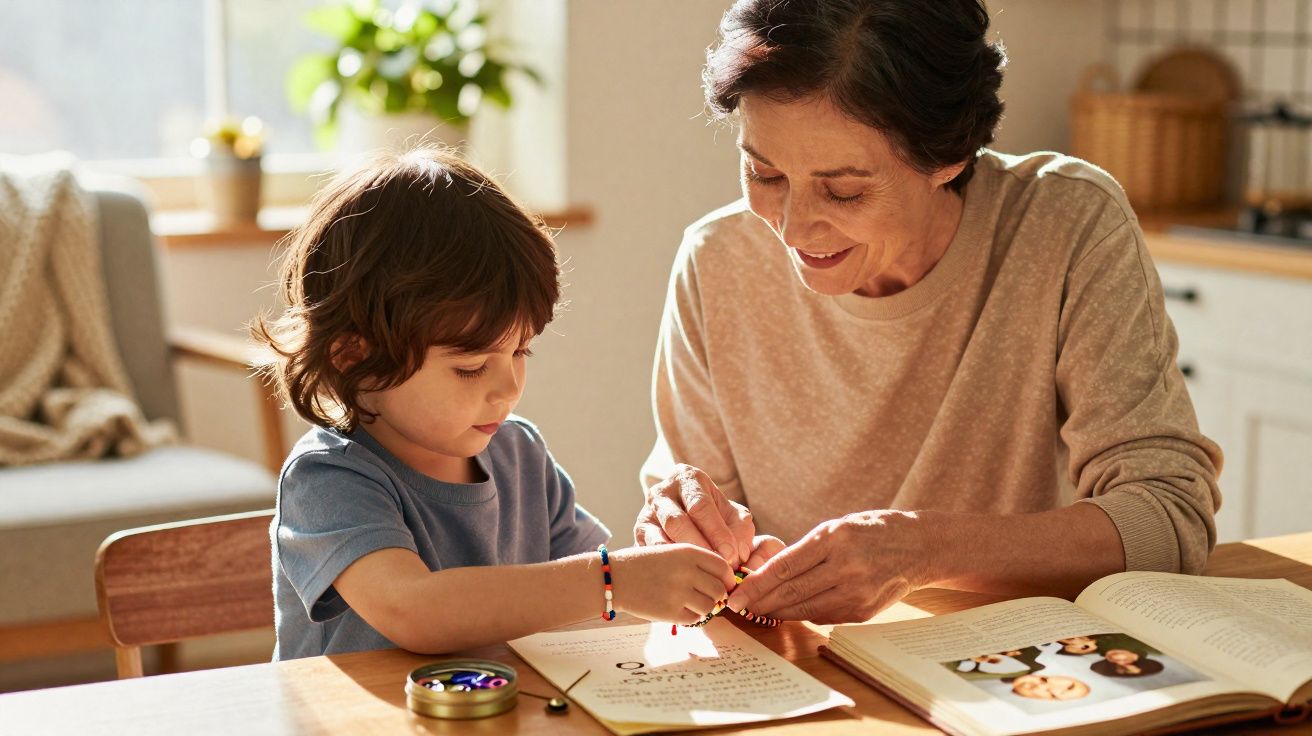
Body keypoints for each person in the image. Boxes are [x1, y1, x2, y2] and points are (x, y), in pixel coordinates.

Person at [636, 0, 1222, 625]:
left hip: (1013, 666)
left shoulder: (1066, 225)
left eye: (844, 189)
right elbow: (691, 510)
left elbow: (1167, 518)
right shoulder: (716, 260)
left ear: (950, 155)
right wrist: (680, 527)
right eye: (764, 172)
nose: (792, 226)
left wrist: (925, 550)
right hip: (803, 670)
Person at [255, 148, 736, 660]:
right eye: (470, 367)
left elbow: (595, 605)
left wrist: (707, 574)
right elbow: (414, 611)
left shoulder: (519, 453)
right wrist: (614, 580)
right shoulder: (328, 479)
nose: (508, 389)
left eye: (520, 350)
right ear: (355, 356)